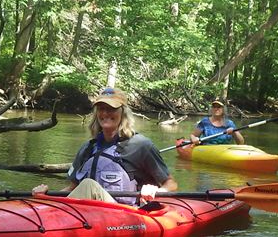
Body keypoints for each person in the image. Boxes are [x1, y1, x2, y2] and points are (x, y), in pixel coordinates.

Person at [33, 87, 178, 205]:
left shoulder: (141, 145)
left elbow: (171, 184)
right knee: (85, 186)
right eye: (101, 109)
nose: (105, 113)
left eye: (111, 109)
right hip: (87, 216)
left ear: (123, 113)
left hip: (125, 216)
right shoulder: (87, 148)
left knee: (88, 185)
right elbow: (72, 189)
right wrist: (47, 196)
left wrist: (156, 191)